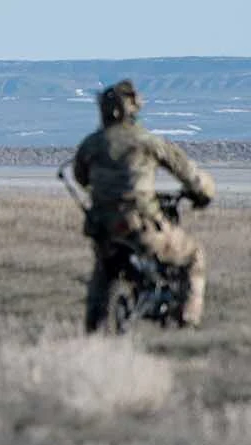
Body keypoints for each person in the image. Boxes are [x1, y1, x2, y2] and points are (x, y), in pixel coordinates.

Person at [74, 80, 216, 331]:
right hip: (141, 224)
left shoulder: (91, 144)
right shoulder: (147, 141)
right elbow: (192, 177)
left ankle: (94, 326)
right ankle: (187, 321)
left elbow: (80, 176)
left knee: (103, 271)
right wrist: (203, 194)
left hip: (103, 228)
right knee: (194, 255)